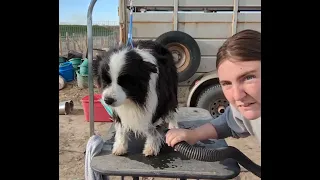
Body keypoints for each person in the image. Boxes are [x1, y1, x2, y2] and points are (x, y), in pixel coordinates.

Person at [166, 29, 261, 148]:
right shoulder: (250, 107)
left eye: (249, 77)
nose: (237, 96)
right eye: (227, 83)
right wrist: (194, 134)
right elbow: (229, 122)